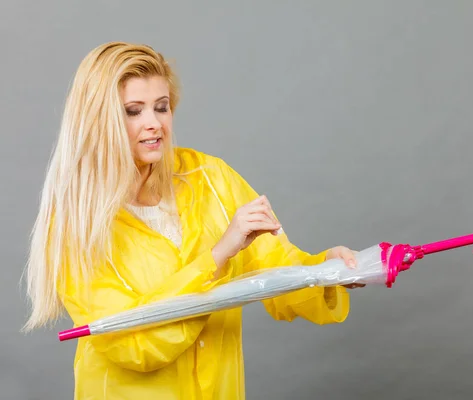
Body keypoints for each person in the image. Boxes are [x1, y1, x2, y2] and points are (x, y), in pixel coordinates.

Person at [22, 41, 363, 399]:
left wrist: (328, 271)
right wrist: (218, 257)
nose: (154, 124)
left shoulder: (212, 179)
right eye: (133, 111)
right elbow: (133, 344)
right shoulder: (76, 223)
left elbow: (278, 271)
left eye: (162, 107)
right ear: (99, 120)